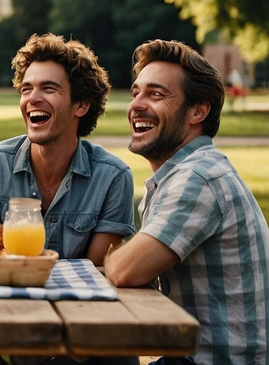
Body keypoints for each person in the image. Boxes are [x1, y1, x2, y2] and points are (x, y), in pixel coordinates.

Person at [0, 33, 138, 365]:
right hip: (3, 317)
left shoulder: (112, 177)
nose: (33, 99)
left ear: (80, 105)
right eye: (27, 89)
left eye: (49, 89)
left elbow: (98, 274)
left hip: (82, 331)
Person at [104, 39, 269, 365]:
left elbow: (124, 270)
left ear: (198, 111)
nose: (136, 104)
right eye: (136, 92)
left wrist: (114, 259)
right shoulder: (184, 174)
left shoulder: (199, 178)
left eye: (155, 94)